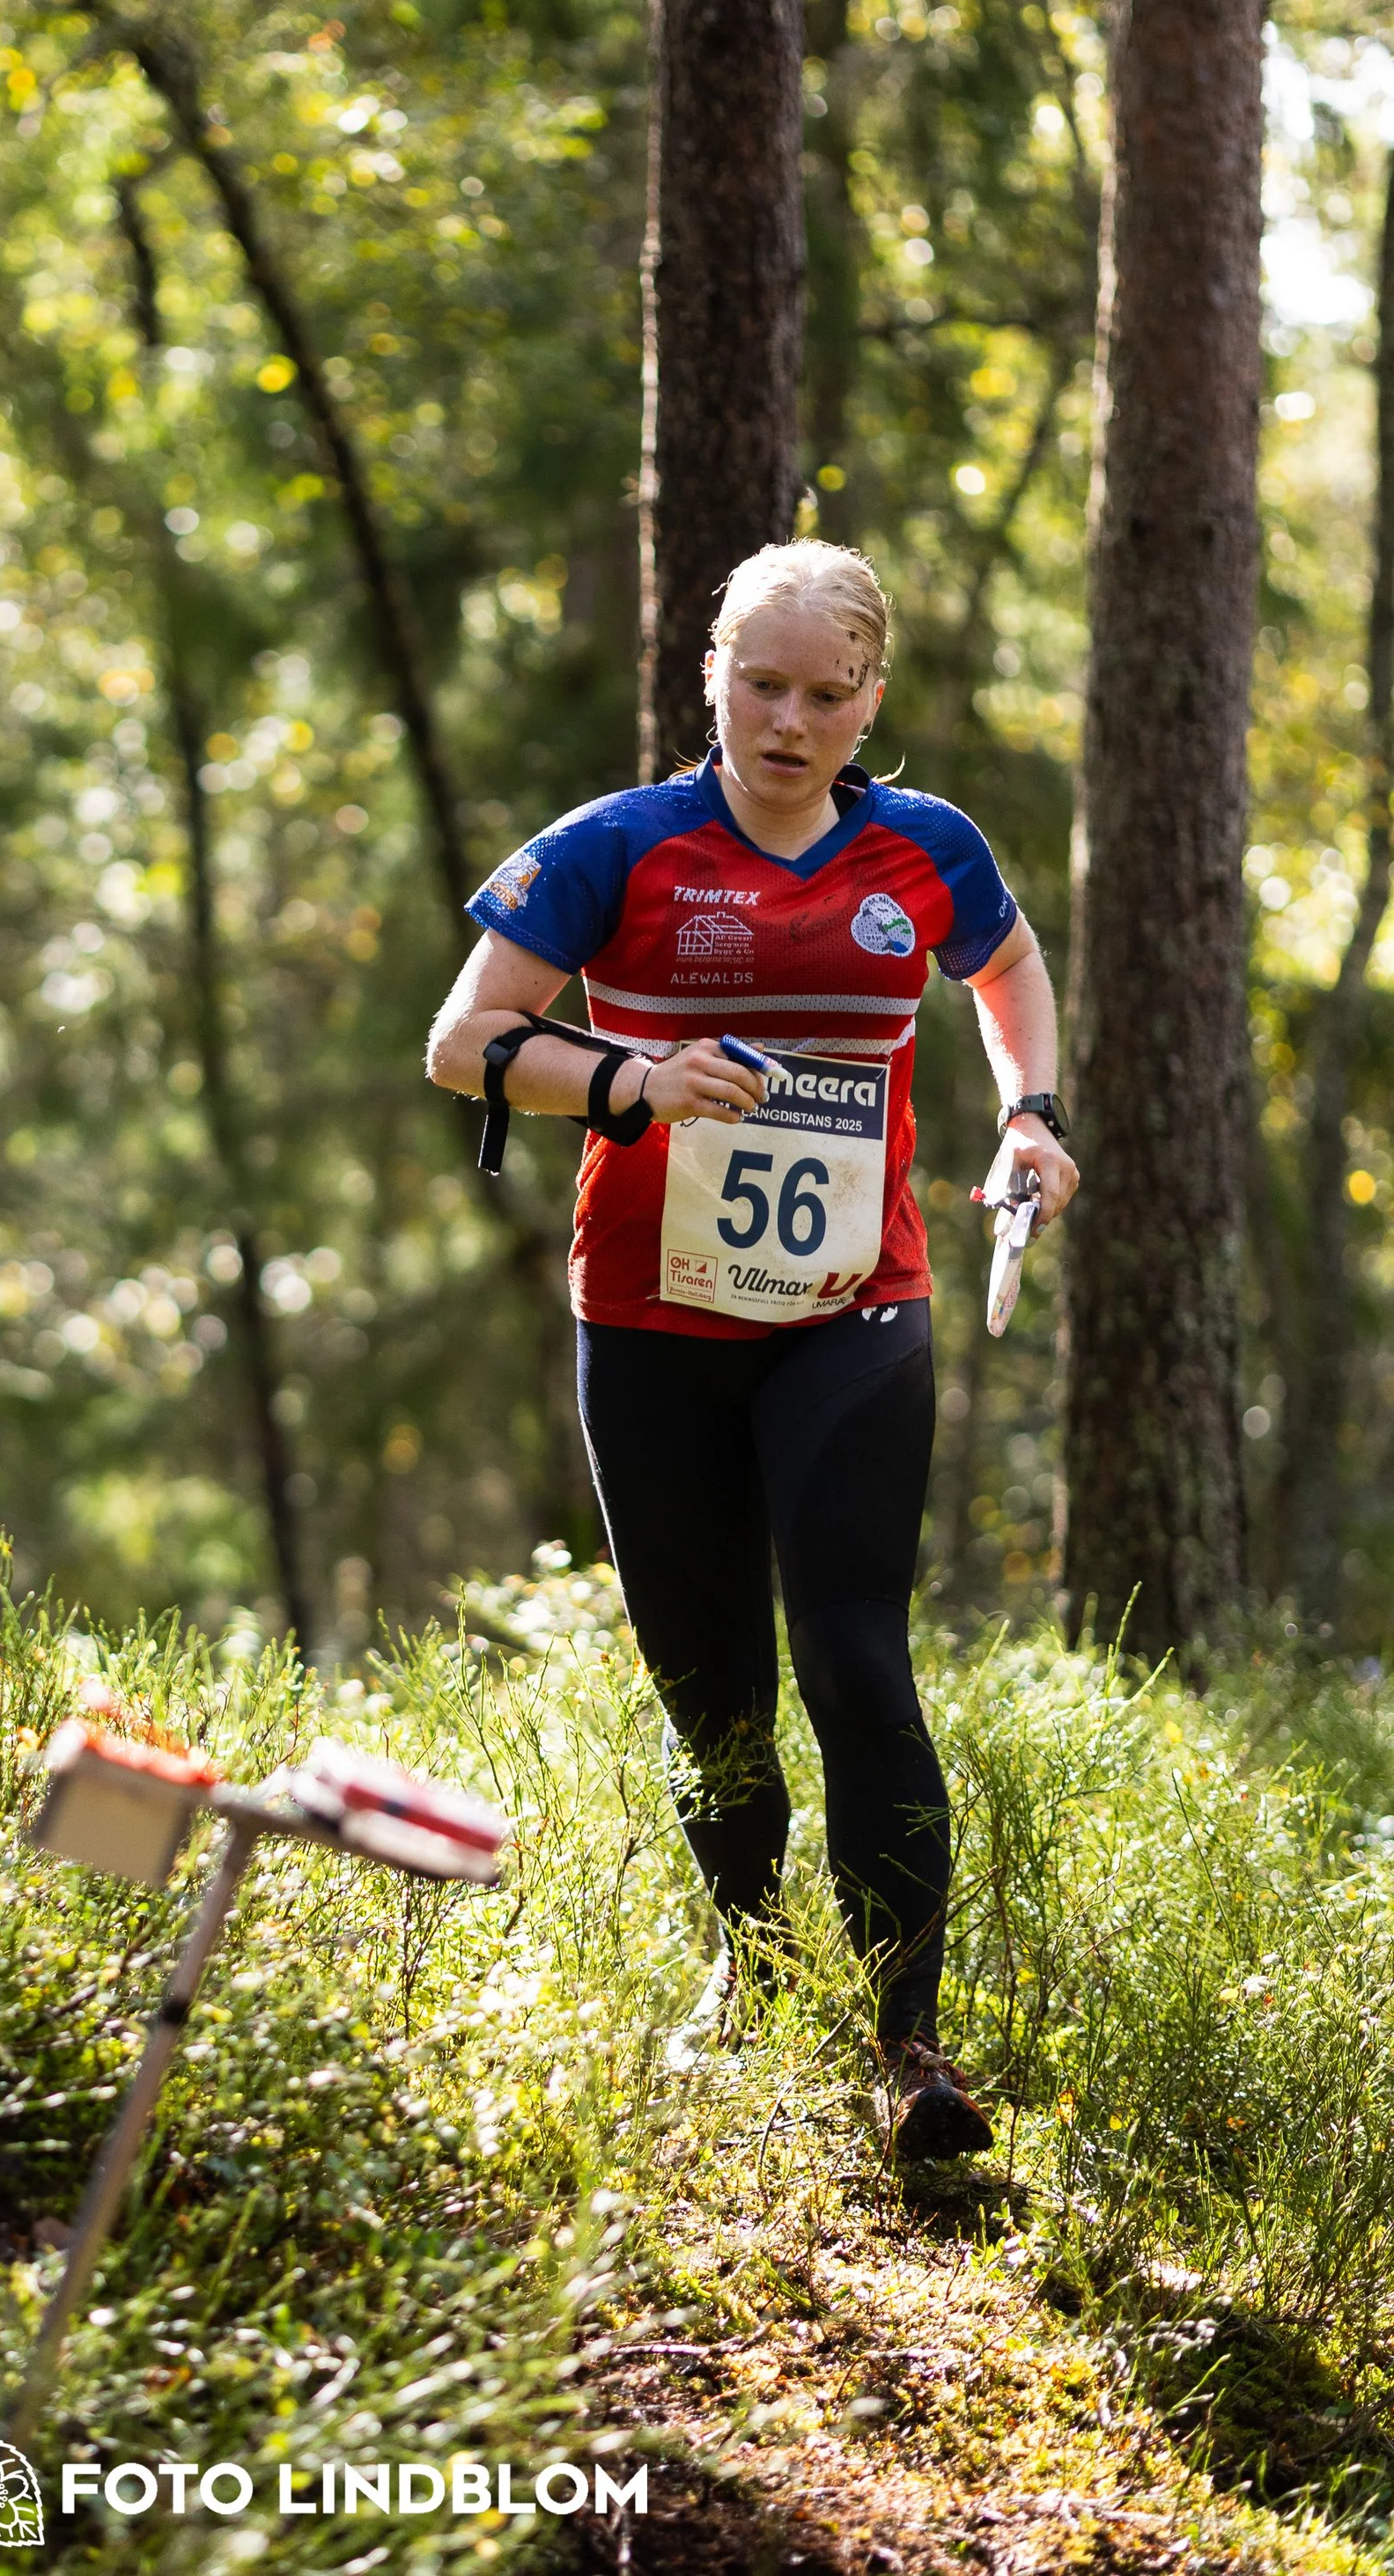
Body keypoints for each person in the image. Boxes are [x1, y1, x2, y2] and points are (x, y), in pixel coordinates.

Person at [425, 540, 1077, 2162]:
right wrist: (633, 1082)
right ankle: (745, 1952)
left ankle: (909, 2042)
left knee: (856, 1655)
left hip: (855, 1309)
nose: (789, 720)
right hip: (650, 1317)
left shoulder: (925, 851)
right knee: (710, 1681)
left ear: (872, 698)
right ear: (710, 675)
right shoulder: (617, 849)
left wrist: (1033, 1116)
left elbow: (1006, 974)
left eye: (825, 691)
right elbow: (463, 1044)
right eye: (759, 683)